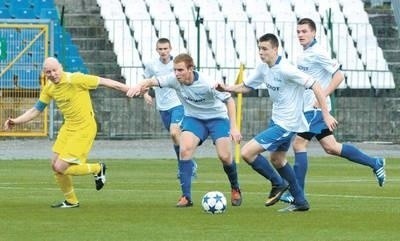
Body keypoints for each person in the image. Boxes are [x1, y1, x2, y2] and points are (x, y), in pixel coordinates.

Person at [216, 33, 337, 212]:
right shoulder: (263, 68)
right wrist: (227, 88)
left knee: (247, 153)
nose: (261, 52)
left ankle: (278, 183)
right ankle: (300, 201)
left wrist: (325, 114)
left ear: (275, 49)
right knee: (277, 159)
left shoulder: (287, 69)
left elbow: (316, 85)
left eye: (265, 49)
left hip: (287, 124)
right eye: (259, 49)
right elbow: (247, 86)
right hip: (277, 121)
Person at [279, 18, 386, 204]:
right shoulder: (303, 55)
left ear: (314, 33)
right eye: (298, 32)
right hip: (307, 108)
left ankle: (297, 194)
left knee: (298, 144)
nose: (300, 35)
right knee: (332, 147)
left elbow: (339, 76)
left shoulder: (318, 53)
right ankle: (375, 162)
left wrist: (321, 98)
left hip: (315, 109)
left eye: (304, 31)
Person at [4, 57, 131, 208]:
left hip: (84, 128)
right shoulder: (49, 88)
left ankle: (98, 168)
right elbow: (35, 110)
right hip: (68, 128)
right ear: (44, 73)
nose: (52, 74)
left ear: (61, 67)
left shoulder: (76, 79)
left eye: (54, 70)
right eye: (48, 72)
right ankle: (71, 201)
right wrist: (16, 121)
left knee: (60, 167)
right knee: (54, 165)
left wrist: (131, 89)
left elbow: (106, 82)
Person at [127, 53, 243, 207]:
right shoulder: (173, 79)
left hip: (217, 118)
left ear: (190, 69)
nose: (177, 73)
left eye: (180, 70)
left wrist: (234, 128)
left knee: (225, 157)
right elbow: (151, 81)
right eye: (175, 70)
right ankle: (186, 197)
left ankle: (235, 187)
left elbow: (229, 101)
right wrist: (138, 86)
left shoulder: (207, 83)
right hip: (194, 118)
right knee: (184, 150)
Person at [143, 38, 197, 179]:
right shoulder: (152, 65)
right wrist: (145, 94)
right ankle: (187, 164)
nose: (163, 51)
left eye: (165, 48)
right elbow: (146, 79)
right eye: (160, 49)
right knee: (175, 138)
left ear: (170, 49)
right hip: (162, 107)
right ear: (157, 50)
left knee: (174, 133)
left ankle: (185, 166)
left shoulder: (176, 65)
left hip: (177, 104)